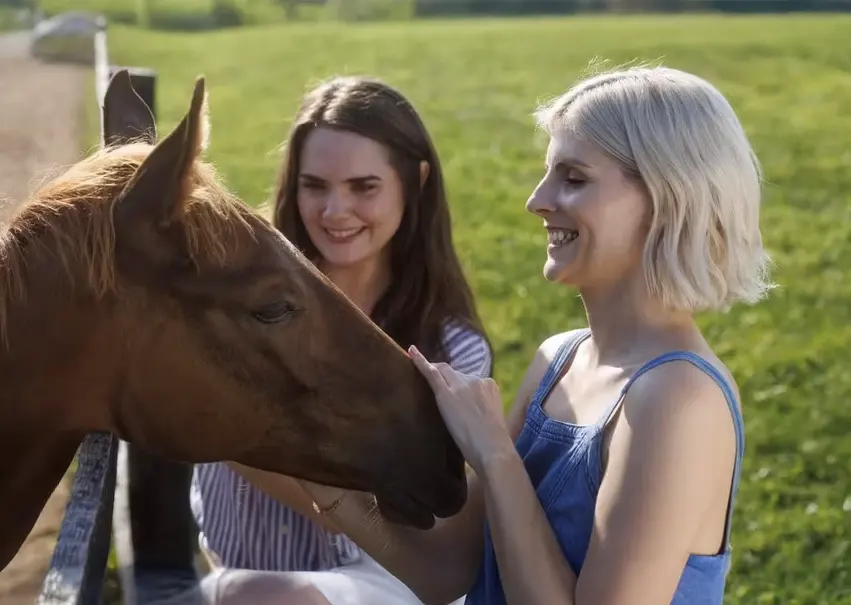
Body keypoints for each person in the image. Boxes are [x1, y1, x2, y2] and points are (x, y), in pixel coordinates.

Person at [248, 63, 772, 605]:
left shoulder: (677, 400)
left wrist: (497, 456)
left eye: (573, 178)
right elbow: (451, 570)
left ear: (668, 199)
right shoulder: (559, 360)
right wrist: (302, 454)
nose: (537, 200)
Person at [188, 75, 493, 605]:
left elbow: (409, 525)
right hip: (226, 568)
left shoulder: (451, 349)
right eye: (315, 185)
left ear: (416, 182)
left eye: (363, 187)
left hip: (366, 584)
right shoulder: (236, 291)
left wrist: (232, 432)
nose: (334, 212)